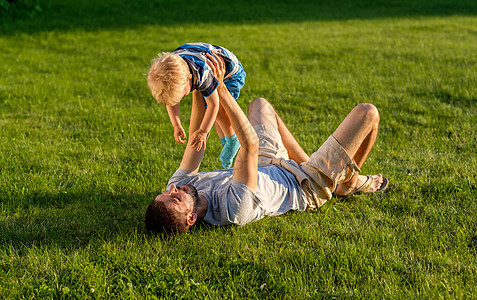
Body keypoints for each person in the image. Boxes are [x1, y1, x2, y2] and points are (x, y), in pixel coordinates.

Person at [145, 53, 388, 234]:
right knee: (367, 114)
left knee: (260, 105)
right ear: (190, 219)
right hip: (305, 186)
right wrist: (220, 87)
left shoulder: (180, 186)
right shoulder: (233, 209)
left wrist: (200, 83)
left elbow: (194, 142)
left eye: (166, 193)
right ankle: (348, 183)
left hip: (268, 163)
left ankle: (319, 168)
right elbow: (249, 143)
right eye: (175, 198)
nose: (174, 189)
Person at [147, 42, 246, 168]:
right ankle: (225, 142)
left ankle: (232, 140)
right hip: (199, 57)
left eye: (181, 95)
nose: (180, 99)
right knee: (211, 116)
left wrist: (203, 131)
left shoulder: (202, 74)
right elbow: (171, 101)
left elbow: (213, 105)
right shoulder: (175, 71)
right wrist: (176, 124)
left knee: (218, 110)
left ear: (189, 78)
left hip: (231, 73)